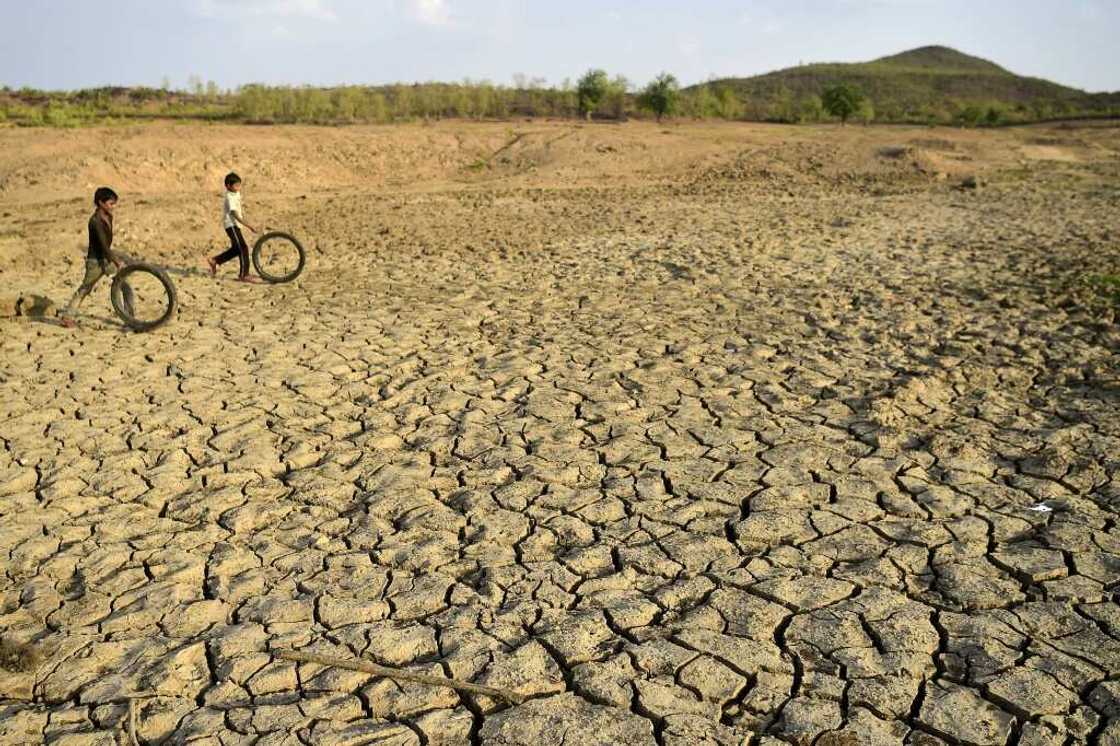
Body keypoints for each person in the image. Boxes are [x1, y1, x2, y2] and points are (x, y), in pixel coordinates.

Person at [60, 186, 123, 327]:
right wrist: (115, 260)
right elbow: (103, 246)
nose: (113, 207)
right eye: (111, 203)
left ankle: (130, 316)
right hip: (95, 262)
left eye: (114, 203)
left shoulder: (109, 217)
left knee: (125, 284)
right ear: (101, 203)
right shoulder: (94, 222)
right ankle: (67, 316)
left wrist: (112, 259)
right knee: (85, 289)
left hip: (106, 259)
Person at [208, 172, 259, 282]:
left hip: (236, 225)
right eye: (236, 186)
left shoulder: (235, 193)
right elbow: (234, 214)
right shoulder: (229, 197)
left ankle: (215, 261)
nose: (238, 188)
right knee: (243, 248)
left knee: (236, 249)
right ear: (228, 186)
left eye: (239, 185)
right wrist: (249, 226)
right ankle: (244, 275)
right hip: (231, 225)